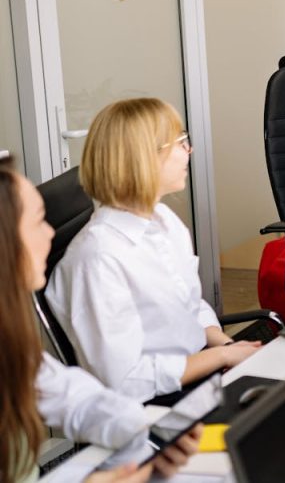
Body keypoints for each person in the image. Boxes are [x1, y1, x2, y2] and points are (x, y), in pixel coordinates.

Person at [0, 155, 200, 483]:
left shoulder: (9, 339)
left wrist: (148, 431)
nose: (51, 233)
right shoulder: (97, 254)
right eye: (38, 221)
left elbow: (75, 399)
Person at [46, 98, 261, 402]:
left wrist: (229, 348)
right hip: (156, 403)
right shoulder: (97, 258)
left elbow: (190, 307)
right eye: (180, 142)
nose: (189, 150)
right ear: (144, 158)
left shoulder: (163, 220)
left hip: (200, 371)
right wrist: (221, 359)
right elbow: (126, 381)